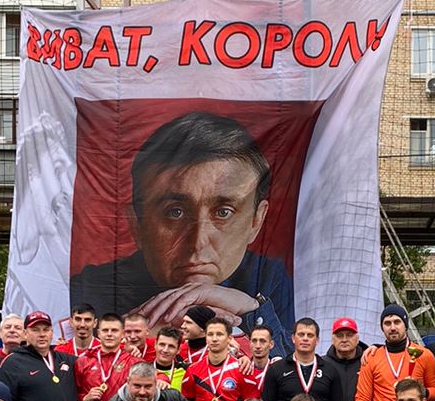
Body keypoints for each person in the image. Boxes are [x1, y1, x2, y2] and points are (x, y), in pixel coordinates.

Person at [70, 110, 294, 351]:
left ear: (256, 222)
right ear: (137, 225)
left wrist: (251, 310)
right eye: (175, 212)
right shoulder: (90, 288)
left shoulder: (271, 278)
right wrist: (128, 338)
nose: (198, 243)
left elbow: (294, 368)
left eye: (223, 212)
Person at [0, 310, 79, 401]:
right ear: (25, 333)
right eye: (35, 330)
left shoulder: (66, 359)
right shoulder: (13, 363)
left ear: (52, 333)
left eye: (46, 330)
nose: (42, 334)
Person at [181, 316, 256, 401]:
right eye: (210, 334)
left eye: (219, 334)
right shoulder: (192, 370)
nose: (214, 339)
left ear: (229, 338)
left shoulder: (243, 370)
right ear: (206, 338)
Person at [261, 318, 342, 401]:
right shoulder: (276, 369)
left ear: (317, 340)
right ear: (293, 338)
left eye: (310, 335)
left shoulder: (330, 370)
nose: (305, 339)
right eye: (301, 334)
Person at [75, 312, 132, 401]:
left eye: (114, 330)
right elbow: (70, 393)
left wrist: (162, 379)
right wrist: (84, 398)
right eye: (105, 330)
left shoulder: (133, 362)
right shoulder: (83, 361)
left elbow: (153, 376)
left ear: (123, 334)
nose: (109, 334)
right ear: (99, 333)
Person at [324, 317, 367, 401]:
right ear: (332, 339)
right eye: (339, 335)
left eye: (349, 335)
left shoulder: (368, 362)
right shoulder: (322, 364)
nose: (344, 339)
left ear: (357, 339)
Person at [244, 322, 280, 394]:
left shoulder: (278, 369)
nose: (258, 346)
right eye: (254, 341)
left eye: (262, 341)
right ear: (250, 343)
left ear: (271, 344)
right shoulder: (243, 368)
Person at [152, 325, 187, 391]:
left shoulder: (186, 371)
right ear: (155, 344)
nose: (165, 350)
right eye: (162, 344)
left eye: (171, 346)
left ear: (178, 350)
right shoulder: (144, 369)